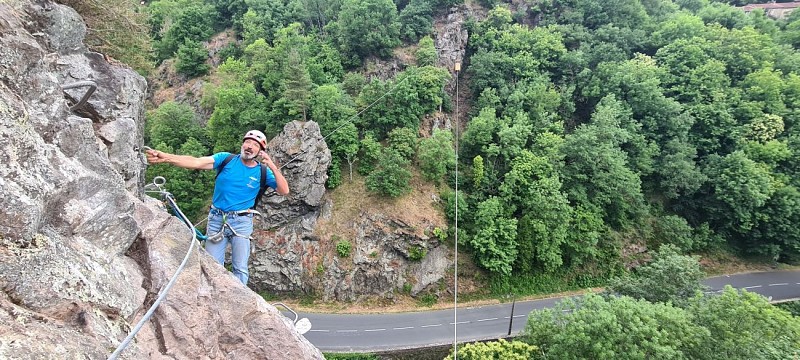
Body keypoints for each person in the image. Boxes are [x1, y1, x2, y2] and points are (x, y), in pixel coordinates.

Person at [145, 130, 289, 284]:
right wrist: (166, 157)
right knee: (211, 266)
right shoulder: (225, 159)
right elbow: (196, 162)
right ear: (242, 144)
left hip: (242, 222)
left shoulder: (263, 172)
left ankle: (238, 305)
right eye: (248, 142)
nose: (249, 147)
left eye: (255, 145)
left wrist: (272, 166)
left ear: (260, 151)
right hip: (217, 219)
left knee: (240, 268)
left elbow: (284, 190)